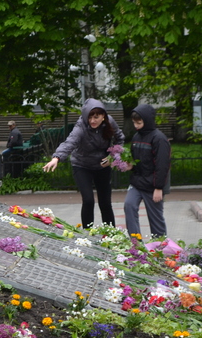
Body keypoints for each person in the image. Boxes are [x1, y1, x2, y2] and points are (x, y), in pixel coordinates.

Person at [42, 98, 125, 229]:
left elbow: (120, 139)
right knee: (88, 200)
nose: (92, 121)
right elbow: (70, 142)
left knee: (105, 203)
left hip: (102, 165)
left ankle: (111, 234)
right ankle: (87, 234)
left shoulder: (110, 122)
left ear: (103, 116)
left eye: (96, 117)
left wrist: (112, 156)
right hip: (82, 165)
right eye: (89, 117)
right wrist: (56, 158)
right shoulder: (81, 126)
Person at [123, 104, 171, 238]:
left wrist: (159, 188)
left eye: (139, 122)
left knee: (155, 218)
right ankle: (135, 243)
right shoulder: (136, 137)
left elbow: (162, 165)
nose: (136, 126)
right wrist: (131, 165)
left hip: (153, 185)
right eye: (134, 123)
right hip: (137, 182)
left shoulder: (159, 139)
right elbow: (136, 159)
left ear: (148, 120)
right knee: (129, 205)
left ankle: (160, 247)